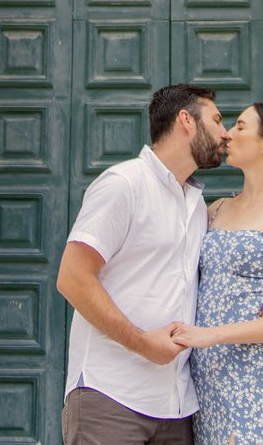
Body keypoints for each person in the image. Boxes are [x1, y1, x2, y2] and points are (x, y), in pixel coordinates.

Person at [56, 84, 229, 444]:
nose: (225, 133)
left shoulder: (197, 205)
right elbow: (72, 278)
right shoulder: (124, 184)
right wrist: (141, 343)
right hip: (110, 397)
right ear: (186, 120)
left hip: (176, 406)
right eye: (217, 120)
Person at [171, 102, 263, 445]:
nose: (228, 134)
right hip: (202, 378)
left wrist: (211, 334)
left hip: (250, 376)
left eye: (240, 126)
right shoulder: (215, 208)